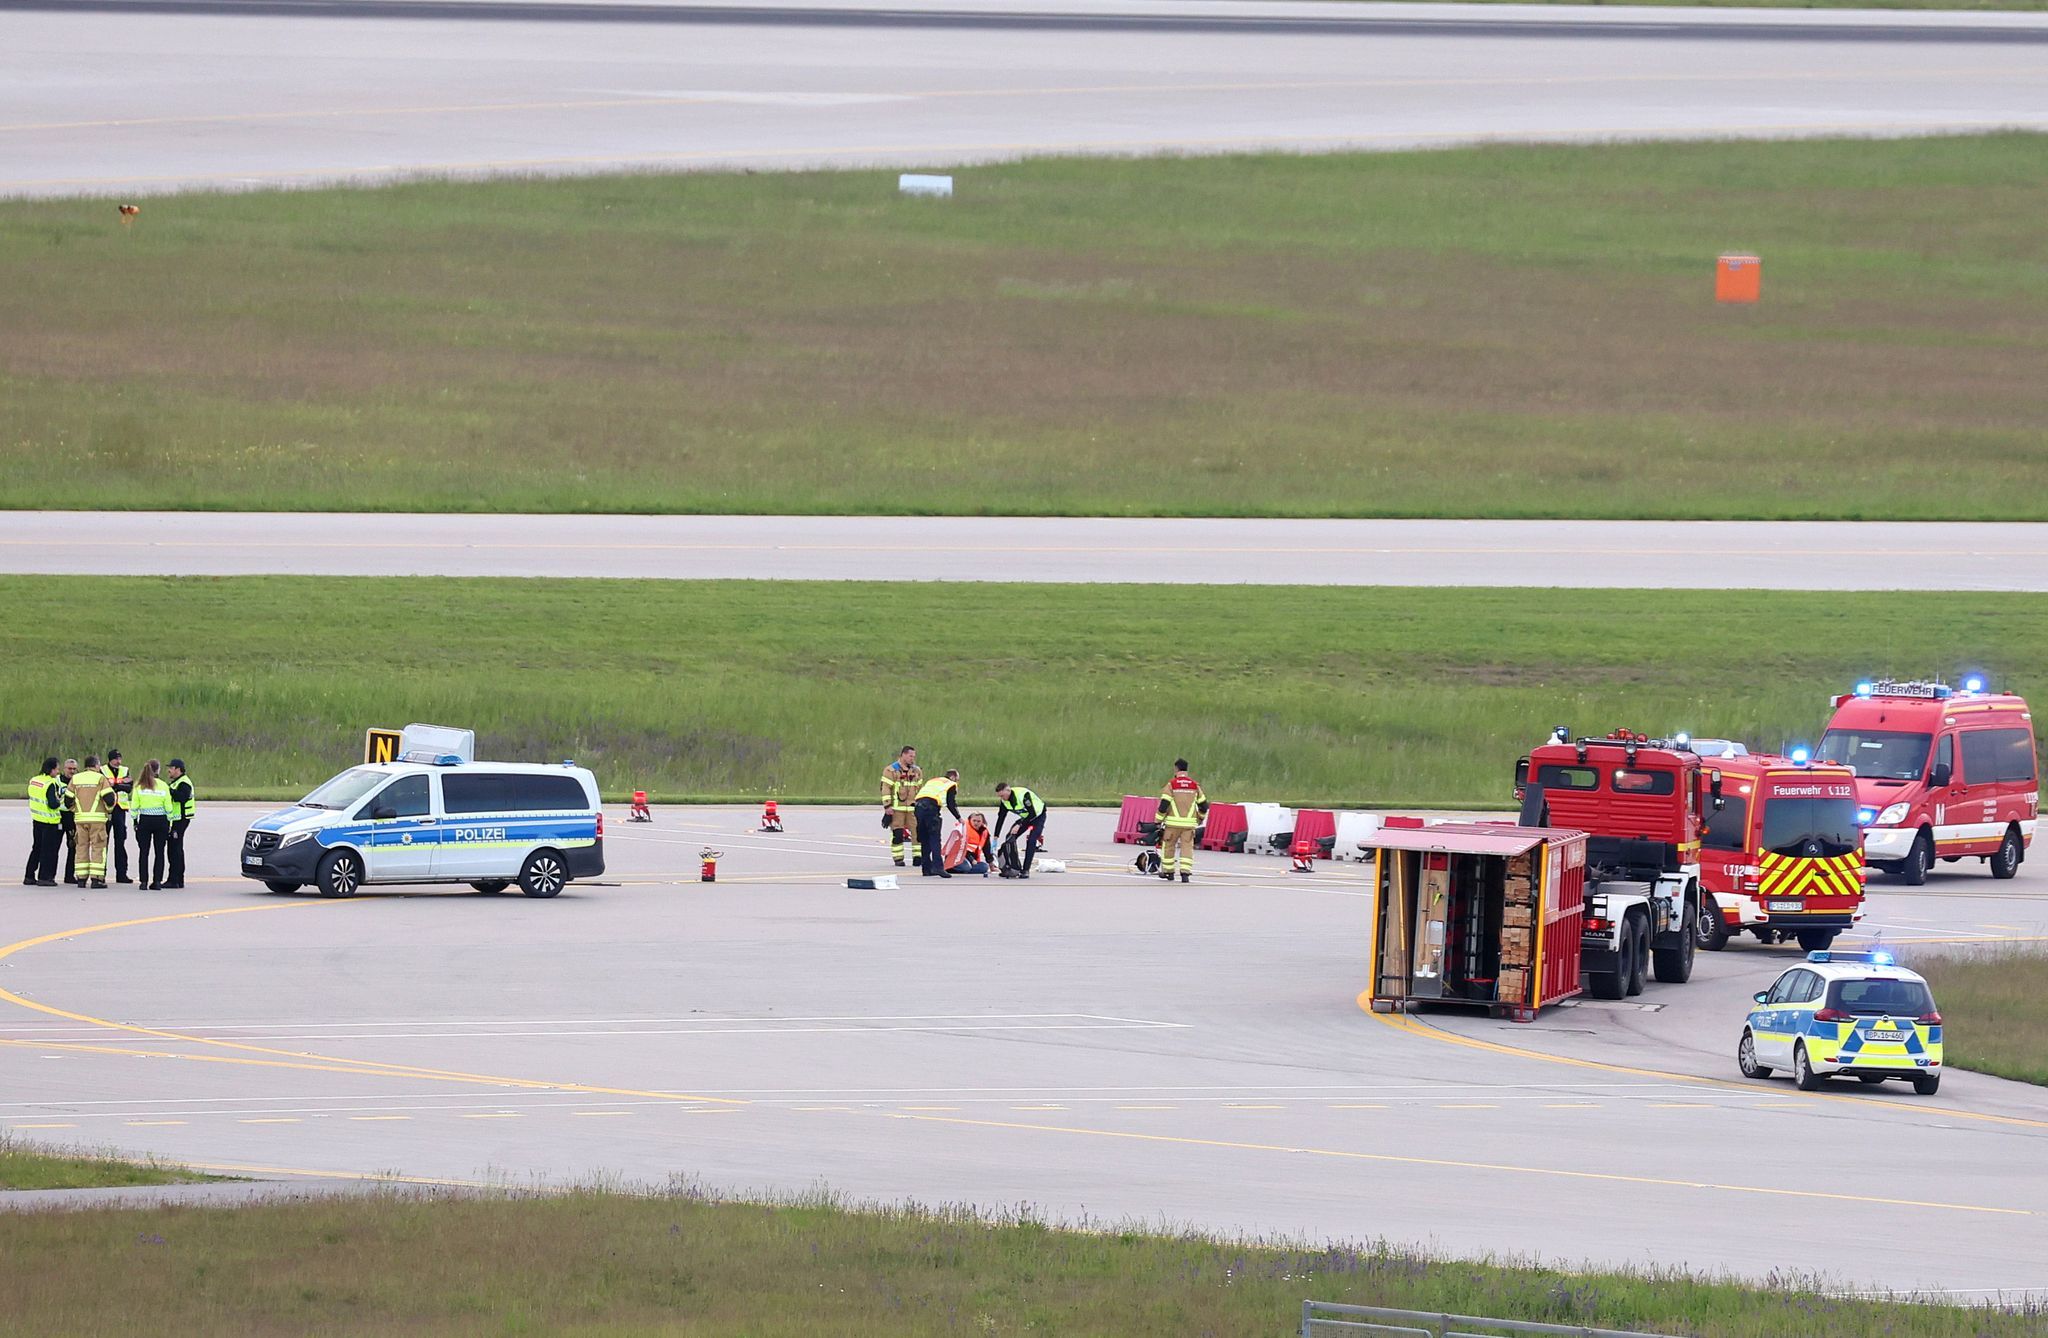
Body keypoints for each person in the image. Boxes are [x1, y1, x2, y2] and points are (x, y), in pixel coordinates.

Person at [1156, 759, 1209, 884]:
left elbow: (1164, 804)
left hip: (1172, 824)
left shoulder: (1171, 785)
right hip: (1189, 825)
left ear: (1176, 769)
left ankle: (1169, 872)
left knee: (1168, 847)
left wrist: (1157, 820)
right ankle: (1185, 873)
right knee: (1187, 848)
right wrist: (1200, 818)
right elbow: (1204, 805)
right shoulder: (1195, 785)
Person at [68, 755, 115, 888]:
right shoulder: (100, 778)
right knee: (98, 848)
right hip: (97, 820)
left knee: (81, 847)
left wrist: (75, 809)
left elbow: (67, 800)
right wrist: (108, 809)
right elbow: (110, 798)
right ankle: (97, 879)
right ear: (96, 765)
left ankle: (81, 879)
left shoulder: (76, 778)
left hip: (80, 819)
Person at [130, 760, 175, 890]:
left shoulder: (139, 786)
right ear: (158, 770)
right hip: (161, 821)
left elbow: (134, 806)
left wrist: (134, 821)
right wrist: (170, 822)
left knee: (143, 852)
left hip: (145, 820)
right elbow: (168, 806)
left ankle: (143, 881)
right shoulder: (163, 785)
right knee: (159, 852)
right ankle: (157, 882)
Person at [992, 782, 1048, 879]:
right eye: (1000, 796)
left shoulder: (1023, 795)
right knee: (1010, 837)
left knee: (1031, 840)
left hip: (1038, 816)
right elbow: (1001, 818)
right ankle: (1013, 867)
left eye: (1003, 795)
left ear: (1008, 790)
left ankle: (1025, 870)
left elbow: (1032, 813)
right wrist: (996, 836)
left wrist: (1019, 824)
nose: (1002, 798)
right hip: (1025, 818)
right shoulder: (1004, 801)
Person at [912, 769, 961, 879]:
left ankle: (926, 869)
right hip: (931, 808)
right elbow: (951, 803)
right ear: (953, 777)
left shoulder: (933, 781)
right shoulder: (950, 784)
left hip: (918, 807)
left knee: (925, 839)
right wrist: (959, 818)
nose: (957, 782)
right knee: (934, 838)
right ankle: (938, 867)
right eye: (957, 780)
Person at [24, 757, 65, 887]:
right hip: (49, 821)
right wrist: (60, 800)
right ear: (52, 769)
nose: (58, 772)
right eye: (57, 769)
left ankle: (29, 876)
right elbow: (53, 804)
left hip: (37, 819)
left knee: (36, 848)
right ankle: (45, 877)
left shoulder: (34, 780)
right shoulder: (50, 783)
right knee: (49, 851)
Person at [880, 745, 922, 867]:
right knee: (897, 834)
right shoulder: (891, 770)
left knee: (917, 833)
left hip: (912, 809)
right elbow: (885, 788)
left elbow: (919, 788)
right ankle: (898, 858)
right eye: (910, 756)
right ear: (903, 755)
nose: (912, 759)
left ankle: (917, 857)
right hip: (896, 809)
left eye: (914, 756)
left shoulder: (916, 771)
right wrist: (887, 806)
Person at [103, 749, 134, 884]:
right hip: (106, 809)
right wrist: (120, 785)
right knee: (103, 842)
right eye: (116, 759)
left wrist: (115, 785)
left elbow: (129, 787)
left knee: (120, 842)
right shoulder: (102, 770)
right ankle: (101, 874)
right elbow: (102, 786)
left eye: (120, 758)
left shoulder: (124, 770)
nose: (118, 761)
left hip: (120, 809)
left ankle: (121, 874)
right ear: (110, 759)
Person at [164, 758, 195, 890]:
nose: (169, 770)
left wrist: (169, 791)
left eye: (171, 768)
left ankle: (175, 879)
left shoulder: (184, 783)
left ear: (178, 769)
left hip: (180, 819)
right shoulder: (176, 782)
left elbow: (181, 797)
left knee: (175, 849)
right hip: (176, 820)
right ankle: (176, 879)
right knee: (174, 848)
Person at [58, 758, 79, 885]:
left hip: (72, 816)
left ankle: (69, 875)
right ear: (64, 769)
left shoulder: (78, 781)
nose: (71, 771)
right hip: (59, 816)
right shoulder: (57, 781)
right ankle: (48, 875)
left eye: (74, 769)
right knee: (54, 846)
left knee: (73, 846)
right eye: (69, 768)